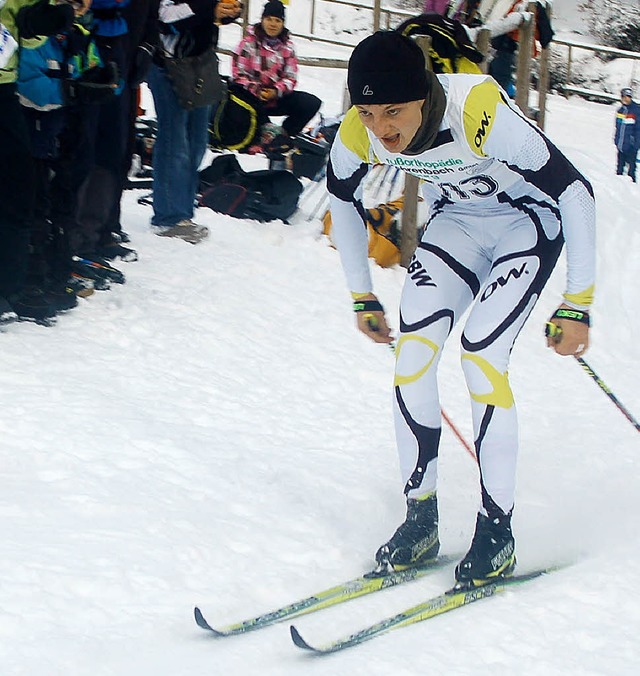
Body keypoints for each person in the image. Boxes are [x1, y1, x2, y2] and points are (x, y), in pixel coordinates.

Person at [327, 30, 595, 587]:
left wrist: (578, 303)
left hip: (526, 222)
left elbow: (575, 191)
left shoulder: (476, 108)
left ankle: (497, 530)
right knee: (413, 357)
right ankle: (420, 518)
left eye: (394, 112)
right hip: (458, 226)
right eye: (369, 113)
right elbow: (341, 198)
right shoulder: (361, 130)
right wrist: (361, 292)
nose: (381, 129)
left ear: (423, 95)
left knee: (481, 355)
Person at [0, 0, 75, 323]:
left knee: (19, 185)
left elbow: (23, 32)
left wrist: (39, 22)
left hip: (3, 86)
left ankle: (9, 287)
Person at [147, 0, 241, 244]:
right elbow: (164, 17)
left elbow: (206, 15)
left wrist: (226, 12)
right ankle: (168, 216)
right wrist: (210, 10)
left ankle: (183, 211)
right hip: (168, 64)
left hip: (200, 64)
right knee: (174, 142)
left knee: (197, 143)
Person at [231, 0, 321, 152]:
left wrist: (275, 91)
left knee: (310, 103)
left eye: (277, 20)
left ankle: (283, 136)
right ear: (262, 20)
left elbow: (291, 78)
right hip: (251, 97)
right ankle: (257, 136)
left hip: (276, 97)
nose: (273, 24)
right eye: (269, 19)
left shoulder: (288, 47)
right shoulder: (247, 44)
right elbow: (238, 75)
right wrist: (256, 90)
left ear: (282, 23)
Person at [614, 87, 640, 182]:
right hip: (621, 145)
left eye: (628, 97)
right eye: (624, 97)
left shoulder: (636, 111)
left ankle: (632, 187)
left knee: (631, 169)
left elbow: (638, 129)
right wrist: (617, 140)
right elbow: (618, 127)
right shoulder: (620, 111)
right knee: (619, 168)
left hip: (631, 146)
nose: (626, 99)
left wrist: (636, 144)